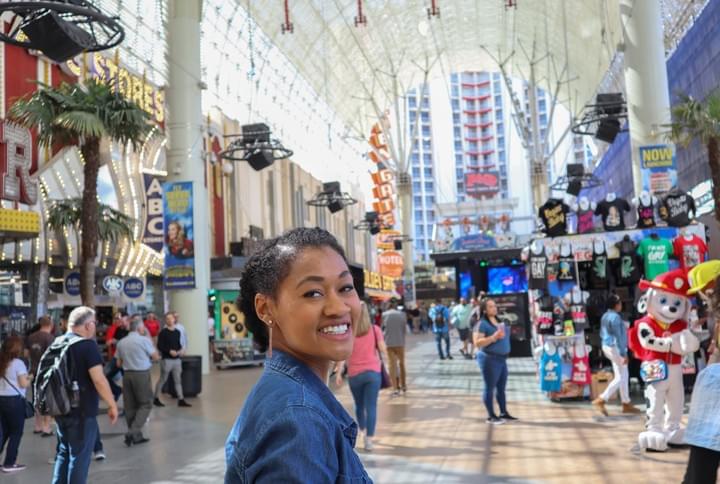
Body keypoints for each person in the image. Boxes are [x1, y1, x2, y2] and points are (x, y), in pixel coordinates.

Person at [225, 227, 371, 483]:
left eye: (346, 287)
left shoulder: (281, 393)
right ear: (266, 308)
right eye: (313, 293)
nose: (338, 307)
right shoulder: (298, 421)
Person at [52, 306, 119, 484]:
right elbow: (99, 380)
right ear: (88, 325)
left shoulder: (57, 342)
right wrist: (112, 404)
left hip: (59, 407)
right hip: (81, 411)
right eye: (94, 323)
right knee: (79, 458)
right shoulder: (87, 346)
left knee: (63, 453)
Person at [335, 302, 388, 451]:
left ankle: (362, 430)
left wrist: (339, 373)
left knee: (359, 405)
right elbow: (383, 349)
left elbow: (342, 354)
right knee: (371, 406)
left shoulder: (348, 332)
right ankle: (369, 440)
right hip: (373, 373)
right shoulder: (375, 329)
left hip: (355, 375)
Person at [592, 294, 641, 416]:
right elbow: (618, 337)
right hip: (615, 348)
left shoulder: (606, 316)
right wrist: (623, 353)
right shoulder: (616, 318)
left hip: (608, 346)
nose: (621, 305)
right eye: (619, 303)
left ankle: (626, 403)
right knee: (621, 377)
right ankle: (602, 398)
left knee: (623, 374)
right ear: (616, 305)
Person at [115, 317, 160, 446]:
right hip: (141, 374)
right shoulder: (144, 340)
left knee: (130, 406)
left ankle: (136, 436)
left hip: (127, 375)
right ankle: (133, 431)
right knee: (146, 404)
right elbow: (155, 356)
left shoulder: (121, 342)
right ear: (140, 328)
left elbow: (118, 363)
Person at [472, 298, 516, 424]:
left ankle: (503, 413)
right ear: (484, 310)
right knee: (489, 387)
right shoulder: (481, 323)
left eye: (495, 306)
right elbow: (477, 343)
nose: (494, 308)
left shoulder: (499, 321)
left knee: (501, 388)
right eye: (490, 306)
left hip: (502, 359)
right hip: (489, 359)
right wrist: (493, 337)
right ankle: (491, 416)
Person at [0, 335, 31, 472]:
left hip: (1, 399)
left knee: (4, 431)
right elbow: (23, 384)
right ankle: (9, 463)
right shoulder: (18, 363)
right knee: (16, 432)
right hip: (14, 401)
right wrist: (30, 378)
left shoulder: (1, 361)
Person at [153, 312, 191, 408]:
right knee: (163, 379)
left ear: (174, 319)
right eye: (167, 319)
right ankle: (156, 398)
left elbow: (178, 344)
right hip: (167, 360)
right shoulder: (163, 332)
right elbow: (160, 346)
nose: (170, 320)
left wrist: (181, 350)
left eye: (171, 318)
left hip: (177, 360)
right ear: (166, 320)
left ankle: (181, 399)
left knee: (178, 380)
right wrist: (169, 351)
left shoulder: (177, 332)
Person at [26, 315, 55, 436]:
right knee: (47, 399)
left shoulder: (31, 337)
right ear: (50, 324)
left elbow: (26, 354)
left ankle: (37, 426)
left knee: (36, 398)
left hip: (33, 371)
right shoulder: (50, 338)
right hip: (46, 372)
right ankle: (46, 427)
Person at [382, 300, 407, 395]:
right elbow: (404, 329)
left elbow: (382, 328)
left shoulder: (384, 314)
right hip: (400, 342)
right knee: (402, 364)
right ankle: (403, 385)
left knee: (392, 365)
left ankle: (395, 388)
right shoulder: (402, 314)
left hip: (389, 343)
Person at [104, 312, 130, 402]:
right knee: (105, 377)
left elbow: (127, 344)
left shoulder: (132, 331)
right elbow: (113, 343)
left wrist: (115, 341)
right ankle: (117, 390)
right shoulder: (118, 329)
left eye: (122, 321)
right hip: (117, 358)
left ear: (128, 320)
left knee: (127, 382)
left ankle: (128, 405)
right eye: (119, 320)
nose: (120, 323)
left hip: (126, 360)